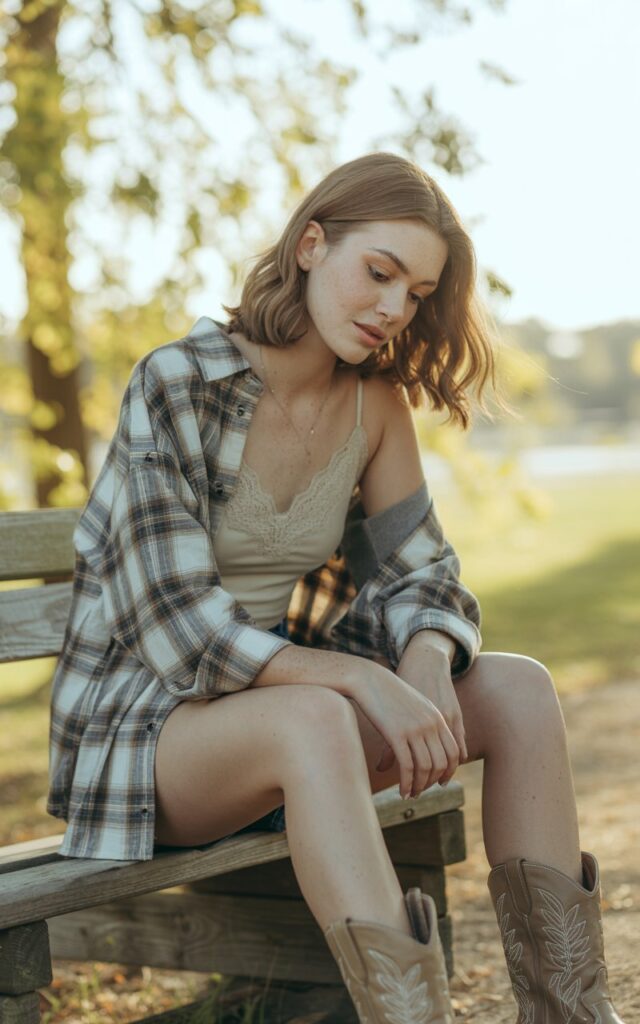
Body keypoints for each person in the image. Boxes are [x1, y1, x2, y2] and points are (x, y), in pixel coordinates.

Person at [47, 152, 625, 1023]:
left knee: (518, 688)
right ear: (312, 245)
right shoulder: (175, 385)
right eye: (380, 272)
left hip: (281, 731)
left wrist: (428, 662)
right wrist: (361, 677)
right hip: (144, 739)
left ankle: (570, 1013)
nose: (395, 308)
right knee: (313, 714)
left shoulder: (375, 408)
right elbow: (183, 630)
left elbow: (421, 572)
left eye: (418, 292)